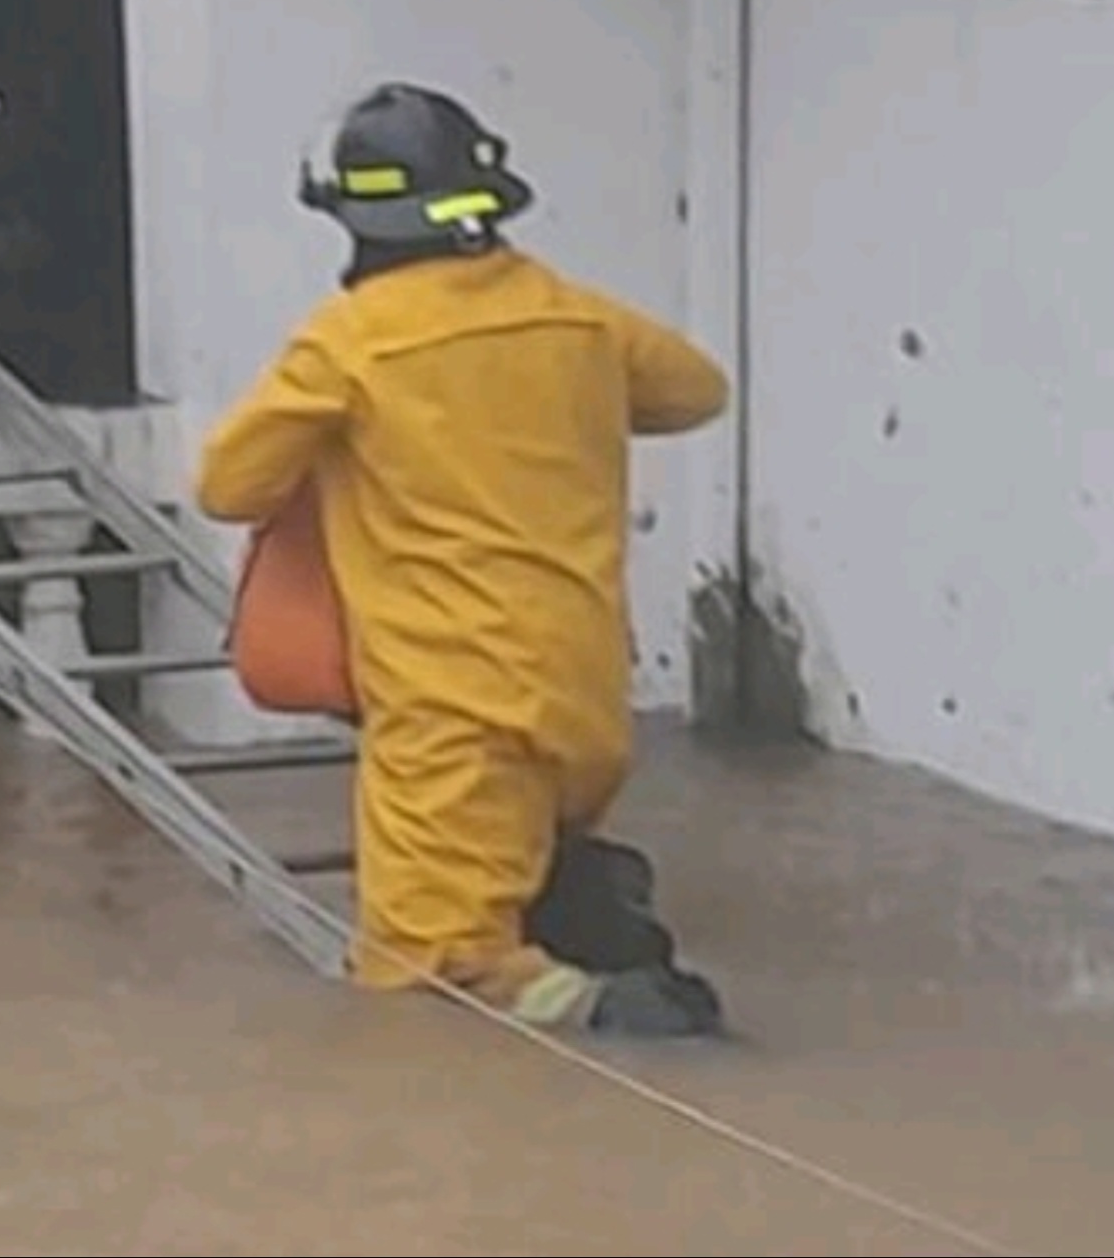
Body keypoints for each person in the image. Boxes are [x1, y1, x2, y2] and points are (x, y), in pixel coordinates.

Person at [196, 84, 733, 1038]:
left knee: (432, 976)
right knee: (528, 883)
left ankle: (630, 1016)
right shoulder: (577, 319)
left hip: (451, 708)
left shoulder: (349, 343)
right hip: (584, 690)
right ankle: (589, 919)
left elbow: (229, 486)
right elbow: (696, 392)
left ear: (351, 215)